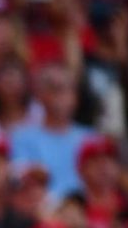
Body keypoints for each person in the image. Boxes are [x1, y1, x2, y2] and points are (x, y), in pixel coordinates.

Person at [8, 63, 93, 200]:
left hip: (84, 210)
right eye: (57, 89)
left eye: (70, 89)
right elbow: (21, 179)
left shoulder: (90, 138)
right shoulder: (22, 137)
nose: (64, 97)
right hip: (43, 212)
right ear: (40, 95)